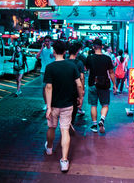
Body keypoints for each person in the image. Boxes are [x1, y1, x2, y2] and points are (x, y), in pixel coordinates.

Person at [44, 40, 84, 173]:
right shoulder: (72, 66)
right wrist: (80, 97)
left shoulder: (50, 68)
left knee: (51, 127)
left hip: (54, 105)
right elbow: (79, 84)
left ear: (54, 51)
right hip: (68, 104)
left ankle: (49, 148)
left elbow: (48, 87)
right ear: (65, 52)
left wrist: (48, 107)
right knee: (65, 130)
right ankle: (64, 160)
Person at [86, 38, 117, 133]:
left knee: (93, 105)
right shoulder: (107, 58)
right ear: (102, 47)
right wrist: (114, 85)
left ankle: (94, 125)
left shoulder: (89, 58)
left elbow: (87, 70)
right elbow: (111, 72)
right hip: (104, 84)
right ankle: (102, 120)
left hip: (92, 84)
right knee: (105, 104)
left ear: (93, 47)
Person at [68, 42, 86, 132]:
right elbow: (82, 78)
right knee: (75, 106)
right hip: (75, 88)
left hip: (66, 87)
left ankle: (67, 122)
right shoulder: (79, 63)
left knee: (67, 105)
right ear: (76, 53)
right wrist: (82, 90)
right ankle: (71, 122)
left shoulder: (65, 62)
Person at [36, 35, 55, 110]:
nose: (47, 43)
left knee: (52, 88)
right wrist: (41, 48)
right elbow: (37, 57)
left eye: (48, 41)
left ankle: (51, 103)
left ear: (51, 42)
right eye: (45, 41)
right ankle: (46, 103)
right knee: (44, 88)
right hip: (44, 71)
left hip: (52, 71)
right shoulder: (43, 50)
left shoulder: (53, 50)